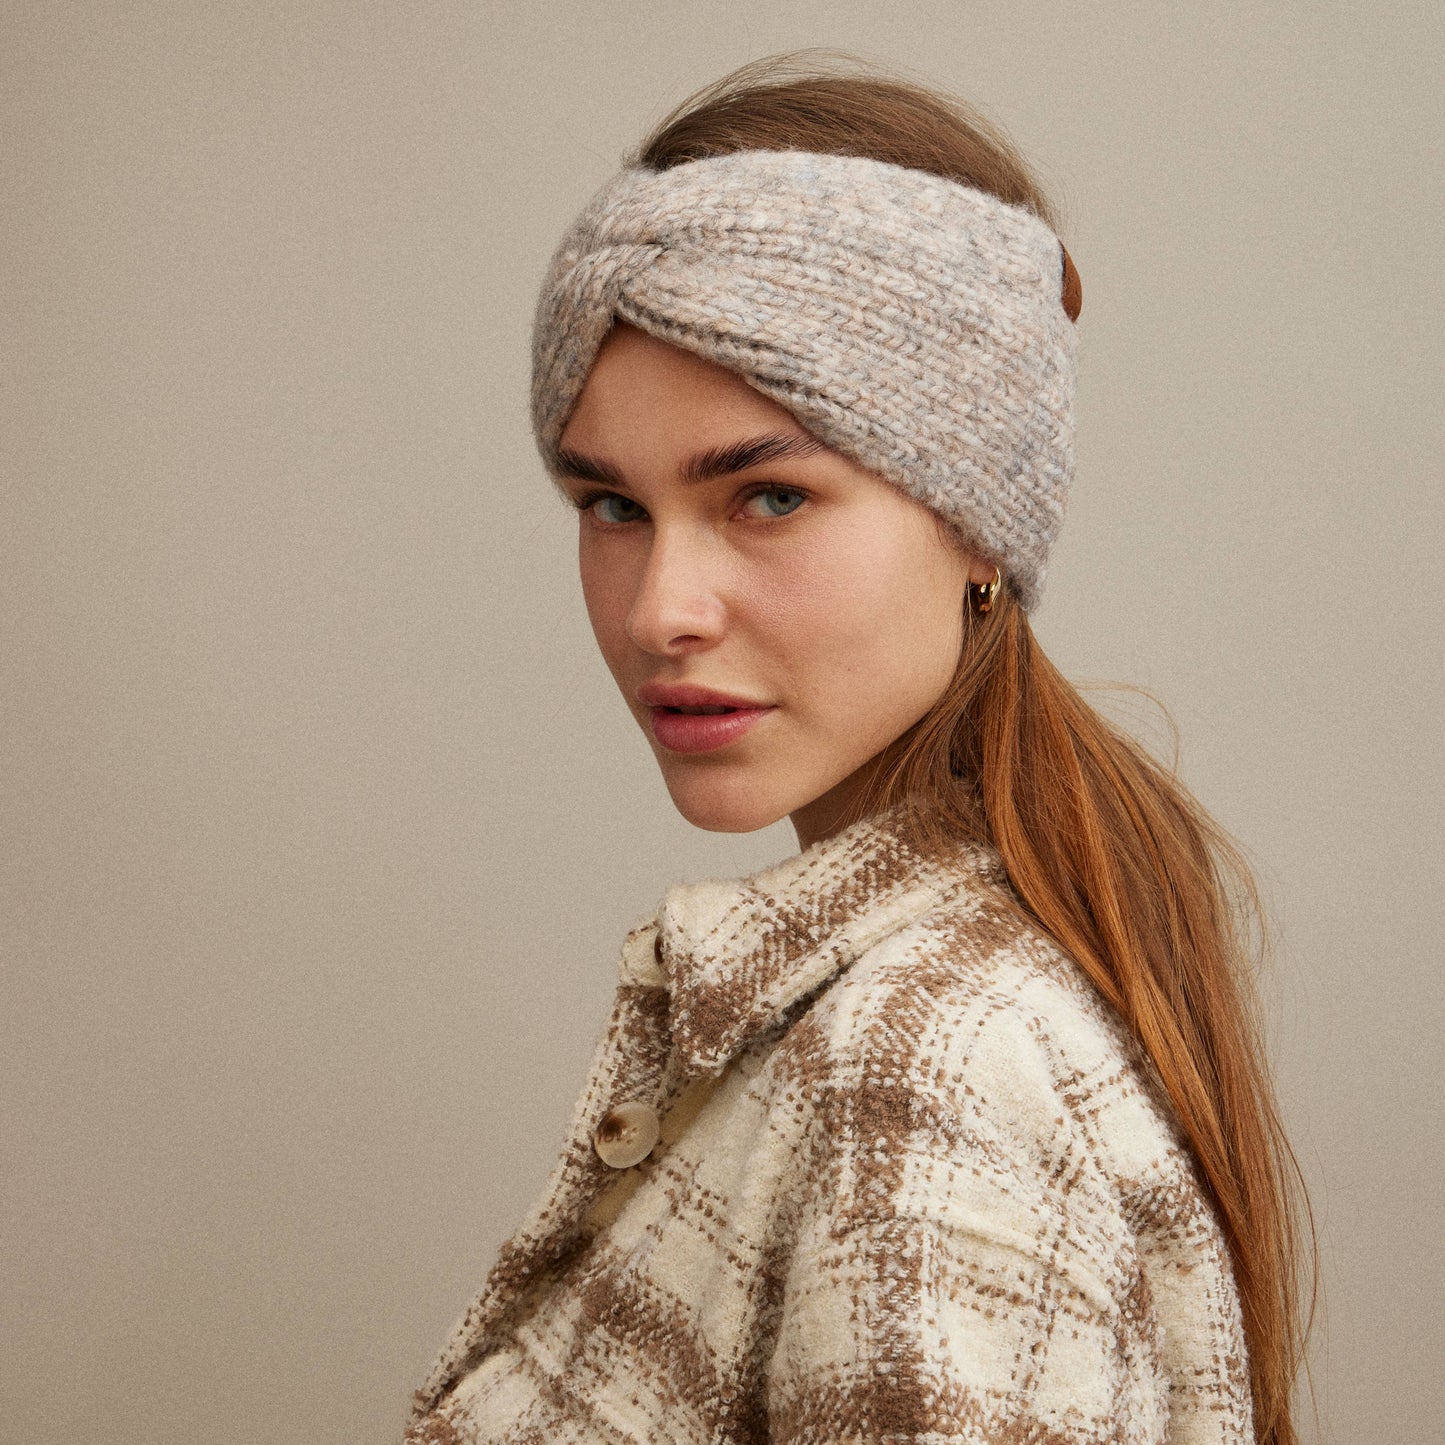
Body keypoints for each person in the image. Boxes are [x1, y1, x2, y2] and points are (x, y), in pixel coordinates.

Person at [404, 53, 1313, 1445]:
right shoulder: (951, 982)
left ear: (976, 523)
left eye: (766, 495)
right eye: (609, 504)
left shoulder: (928, 1073)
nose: (661, 611)